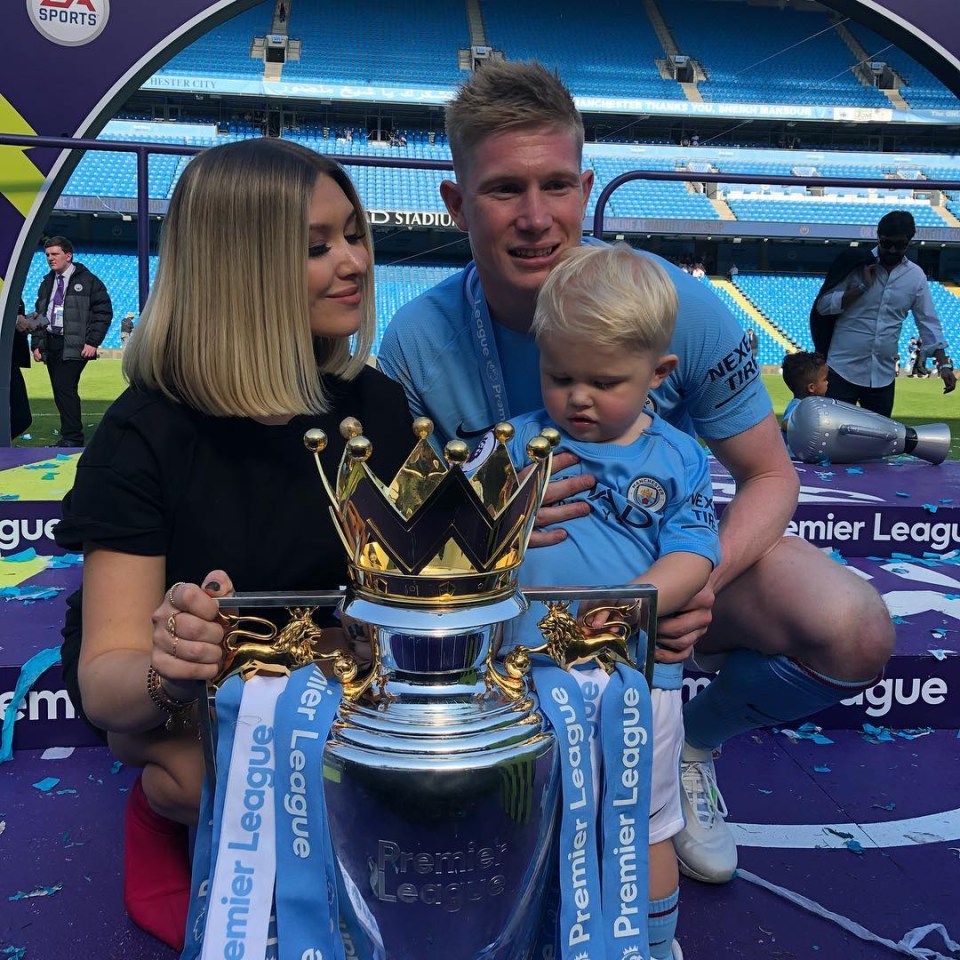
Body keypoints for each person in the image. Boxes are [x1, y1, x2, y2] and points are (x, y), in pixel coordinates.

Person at [378, 59, 894, 886]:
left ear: (587, 189)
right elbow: (398, 539)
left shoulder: (674, 309)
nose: (537, 218)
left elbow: (770, 477)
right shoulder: (415, 339)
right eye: (505, 189)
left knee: (852, 628)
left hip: (659, 582)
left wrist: (688, 592)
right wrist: (481, 514)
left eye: (555, 186)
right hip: (502, 618)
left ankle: (691, 745)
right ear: (455, 202)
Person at [53, 138, 413, 950]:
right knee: (183, 771)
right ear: (237, 268)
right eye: (318, 246)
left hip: (323, 672)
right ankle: (166, 815)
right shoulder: (143, 434)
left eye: (353, 234)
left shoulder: (378, 407)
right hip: (197, 689)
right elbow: (111, 684)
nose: (355, 261)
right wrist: (170, 665)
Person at [497, 244, 720, 960]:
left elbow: (695, 552)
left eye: (604, 381)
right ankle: (536, 936)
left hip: (634, 680)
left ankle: (652, 945)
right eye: (560, 376)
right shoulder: (516, 447)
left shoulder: (678, 458)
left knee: (643, 823)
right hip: (524, 676)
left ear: (658, 375)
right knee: (533, 817)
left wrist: (629, 604)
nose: (579, 398)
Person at [810, 210, 955, 417]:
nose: (892, 250)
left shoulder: (915, 277)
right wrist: (860, 287)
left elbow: (928, 321)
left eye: (900, 245)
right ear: (878, 236)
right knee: (833, 441)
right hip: (841, 371)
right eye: (886, 244)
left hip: (882, 376)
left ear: (909, 241)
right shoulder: (856, 263)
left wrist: (944, 364)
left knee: (878, 444)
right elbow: (822, 307)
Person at [31, 236, 112, 447]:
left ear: (68, 255)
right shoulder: (47, 281)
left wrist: (93, 341)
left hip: (75, 343)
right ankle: (70, 434)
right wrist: (37, 343)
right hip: (51, 341)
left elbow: (104, 312)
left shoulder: (88, 280)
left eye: (55, 254)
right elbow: (40, 313)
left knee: (65, 387)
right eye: (47, 254)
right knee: (60, 390)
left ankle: (73, 437)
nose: (50, 258)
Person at [779, 351, 828, 456]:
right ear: (811, 387)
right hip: (796, 460)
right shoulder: (798, 406)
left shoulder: (813, 405)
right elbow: (785, 424)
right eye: (824, 380)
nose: (827, 383)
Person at [9, 298, 34, 440]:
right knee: (21, 417)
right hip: (6, 358)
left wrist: (24, 321)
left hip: (9, 357)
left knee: (21, 417)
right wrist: (16, 320)